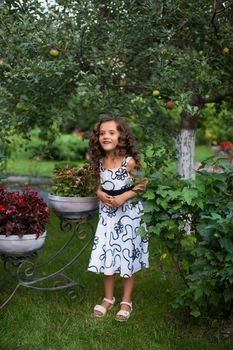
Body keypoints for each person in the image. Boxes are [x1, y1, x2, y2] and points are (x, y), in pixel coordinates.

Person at [87, 115, 149, 321]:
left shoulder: (129, 162)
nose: (106, 136)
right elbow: (99, 183)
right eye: (102, 133)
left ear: (121, 136)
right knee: (108, 254)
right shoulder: (99, 161)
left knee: (126, 255)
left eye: (111, 132)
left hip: (128, 215)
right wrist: (98, 192)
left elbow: (142, 184)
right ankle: (108, 298)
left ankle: (126, 300)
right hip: (108, 215)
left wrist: (123, 196)